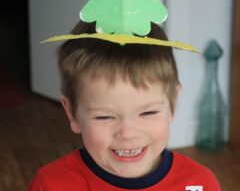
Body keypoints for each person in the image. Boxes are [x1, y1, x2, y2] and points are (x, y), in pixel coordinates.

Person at [29, 21, 221, 190]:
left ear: (172, 104)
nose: (128, 134)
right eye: (105, 116)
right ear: (71, 112)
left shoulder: (201, 184)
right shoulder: (50, 185)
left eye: (148, 112)